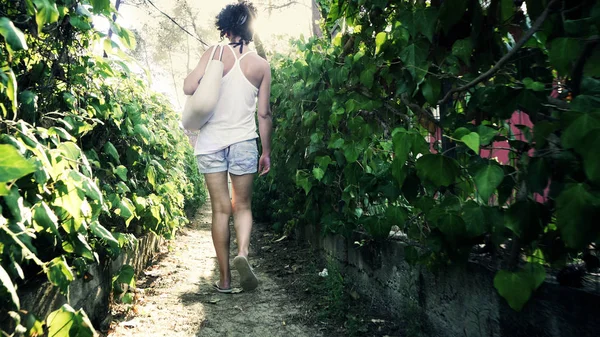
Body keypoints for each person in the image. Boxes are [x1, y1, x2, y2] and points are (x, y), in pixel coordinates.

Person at [183, 1, 272, 293]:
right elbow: (264, 114)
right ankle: (243, 254)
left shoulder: (214, 53)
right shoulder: (261, 66)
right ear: (250, 28)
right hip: (245, 141)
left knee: (221, 210)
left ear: (226, 27)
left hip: (211, 143)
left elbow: (188, 86)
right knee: (242, 205)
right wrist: (266, 152)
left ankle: (224, 279)